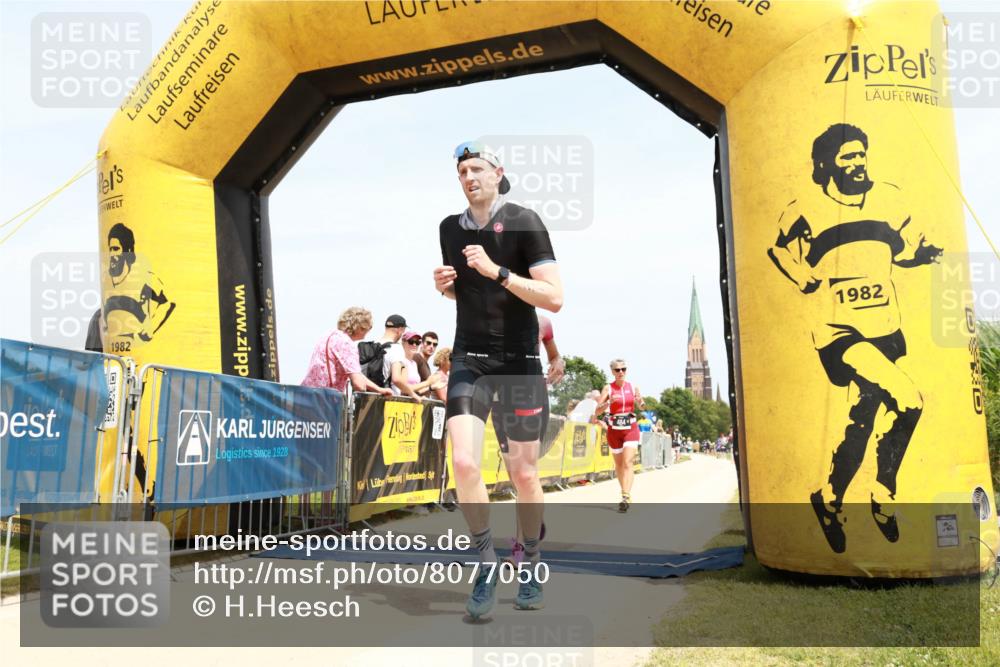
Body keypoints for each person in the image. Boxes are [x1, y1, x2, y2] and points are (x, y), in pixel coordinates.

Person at [768, 123, 941, 554]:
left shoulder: (889, 198)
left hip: (886, 327)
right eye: (847, 156)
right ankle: (883, 495)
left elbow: (900, 253)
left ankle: (827, 499)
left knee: (860, 424)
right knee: (910, 399)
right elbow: (778, 248)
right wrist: (801, 274)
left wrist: (922, 255)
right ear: (826, 164)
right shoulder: (806, 206)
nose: (857, 162)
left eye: (861, 153)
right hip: (839, 331)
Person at [433, 140, 563, 617]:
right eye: (462, 170)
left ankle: (529, 559)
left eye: (477, 168)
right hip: (470, 358)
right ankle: (484, 560)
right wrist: (447, 290)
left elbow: (553, 298)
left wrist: (499, 271)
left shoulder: (525, 221)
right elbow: (468, 294)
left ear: (497, 172)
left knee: (524, 475)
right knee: (464, 463)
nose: (469, 177)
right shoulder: (449, 228)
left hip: (519, 363)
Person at [497, 314, 565, 565]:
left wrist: (558, 362)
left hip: (529, 394)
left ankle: (522, 549)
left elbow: (554, 354)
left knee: (525, 474)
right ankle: (533, 517)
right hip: (498, 397)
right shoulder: (488, 315)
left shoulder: (542, 322)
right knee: (516, 477)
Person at [101, 222, 175, 352]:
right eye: (110, 249)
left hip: (141, 352)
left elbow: (168, 302)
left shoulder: (142, 277)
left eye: (116, 249)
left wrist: (150, 328)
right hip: (115, 357)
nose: (112, 254)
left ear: (128, 251)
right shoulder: (106, 279)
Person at [301, 307, 393, 396]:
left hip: (306, 396)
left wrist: (379, 390)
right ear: (360, 327)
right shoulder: (347, 344)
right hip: (326, 400)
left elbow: (357, 373)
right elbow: (359, 385)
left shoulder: (328, 336)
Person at [594, 359, 646, 513]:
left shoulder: (632, 387)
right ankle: (624, 491)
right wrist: (608, 403)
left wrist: (640, 401)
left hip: (630, 428)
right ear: (612, 372)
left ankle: (625, 496)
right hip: (614, 430)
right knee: (619, 465)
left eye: (623, 369)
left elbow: (642, 406)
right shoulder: (608, 388)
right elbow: (597, 411)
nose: (621, 372)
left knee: (628, 462)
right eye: (617, 370)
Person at [385, 330, 439, 398]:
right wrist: (427, 383)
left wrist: (422, 394)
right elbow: (403, 388)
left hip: (410, 404)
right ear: (403, 342)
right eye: (411, 342)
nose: (414, 345)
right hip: (397, 401)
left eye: (417, 342)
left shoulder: (414, 363)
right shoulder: (400, 361)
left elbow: (414, 388)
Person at [359, 314, 408, 388]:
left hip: (363, 394)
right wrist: (412, 394)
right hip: (386, 396)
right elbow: (396, 379)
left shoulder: (370, 345)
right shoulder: (396, 348)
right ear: (400, 330)